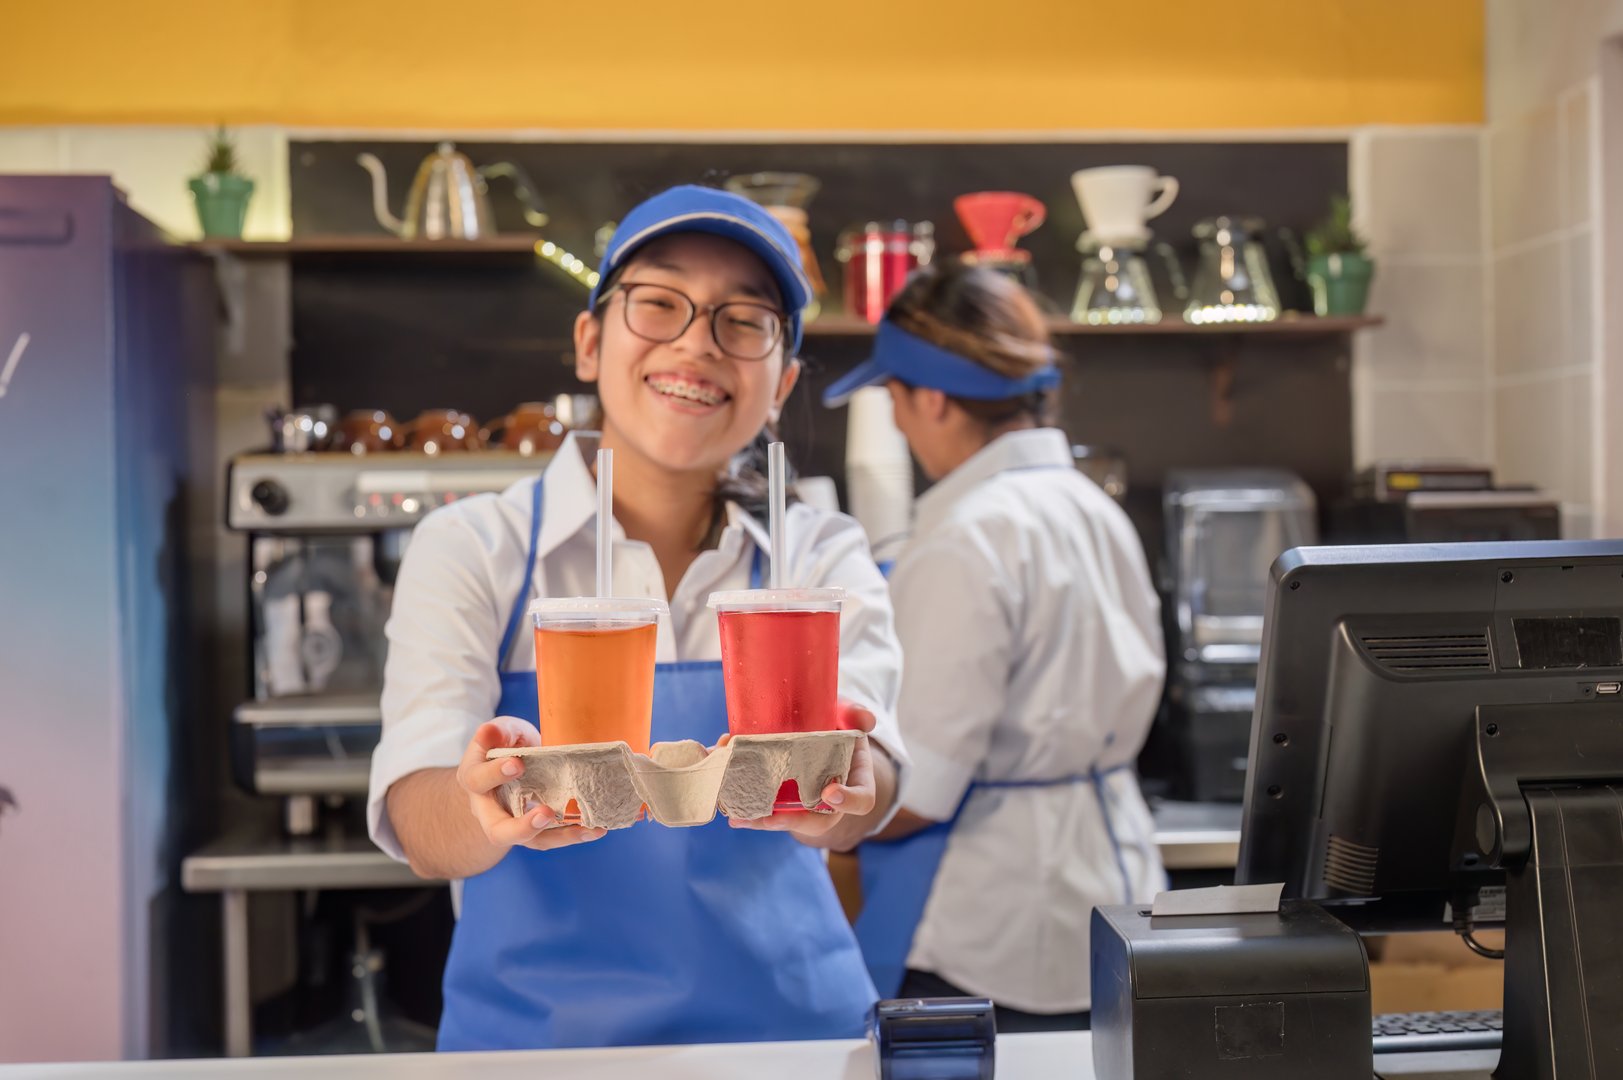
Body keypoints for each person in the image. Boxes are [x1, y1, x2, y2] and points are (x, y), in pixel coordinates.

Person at [367, 185, 907, 1051]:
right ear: (589, 342)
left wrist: (835, 792)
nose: (696, 342)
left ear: (784, 383)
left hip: (790, 1045)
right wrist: (486, 804)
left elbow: (871, 782)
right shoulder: (476, 549)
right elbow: (421, 825)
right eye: (658, 304)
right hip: (540, 1051)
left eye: (743, 320)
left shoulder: (819, 554)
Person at [823, 262, 1166, 1032]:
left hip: (990, 926)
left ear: (934, 399)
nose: (901, 427)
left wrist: (822, 824)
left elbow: (918, 789)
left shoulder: (966, 536)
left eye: (895, 401)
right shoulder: (1090, 505)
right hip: (1117, 896)